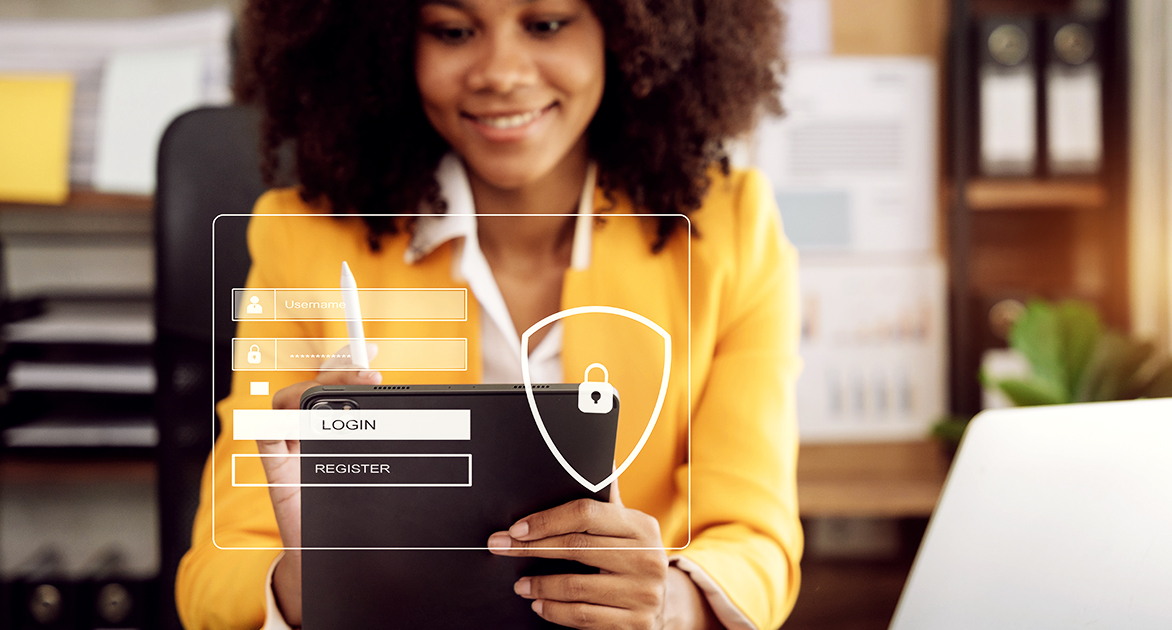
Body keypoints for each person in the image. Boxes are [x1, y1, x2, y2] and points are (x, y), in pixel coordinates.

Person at [177, 0, 801, 628]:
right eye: (453, 31)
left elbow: (755, 539)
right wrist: (308, 582)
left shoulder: (729, 234)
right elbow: (213, 575)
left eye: (547, 24)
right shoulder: (303, 241)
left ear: (631, 35)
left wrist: (667, 604)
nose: (501, 73)